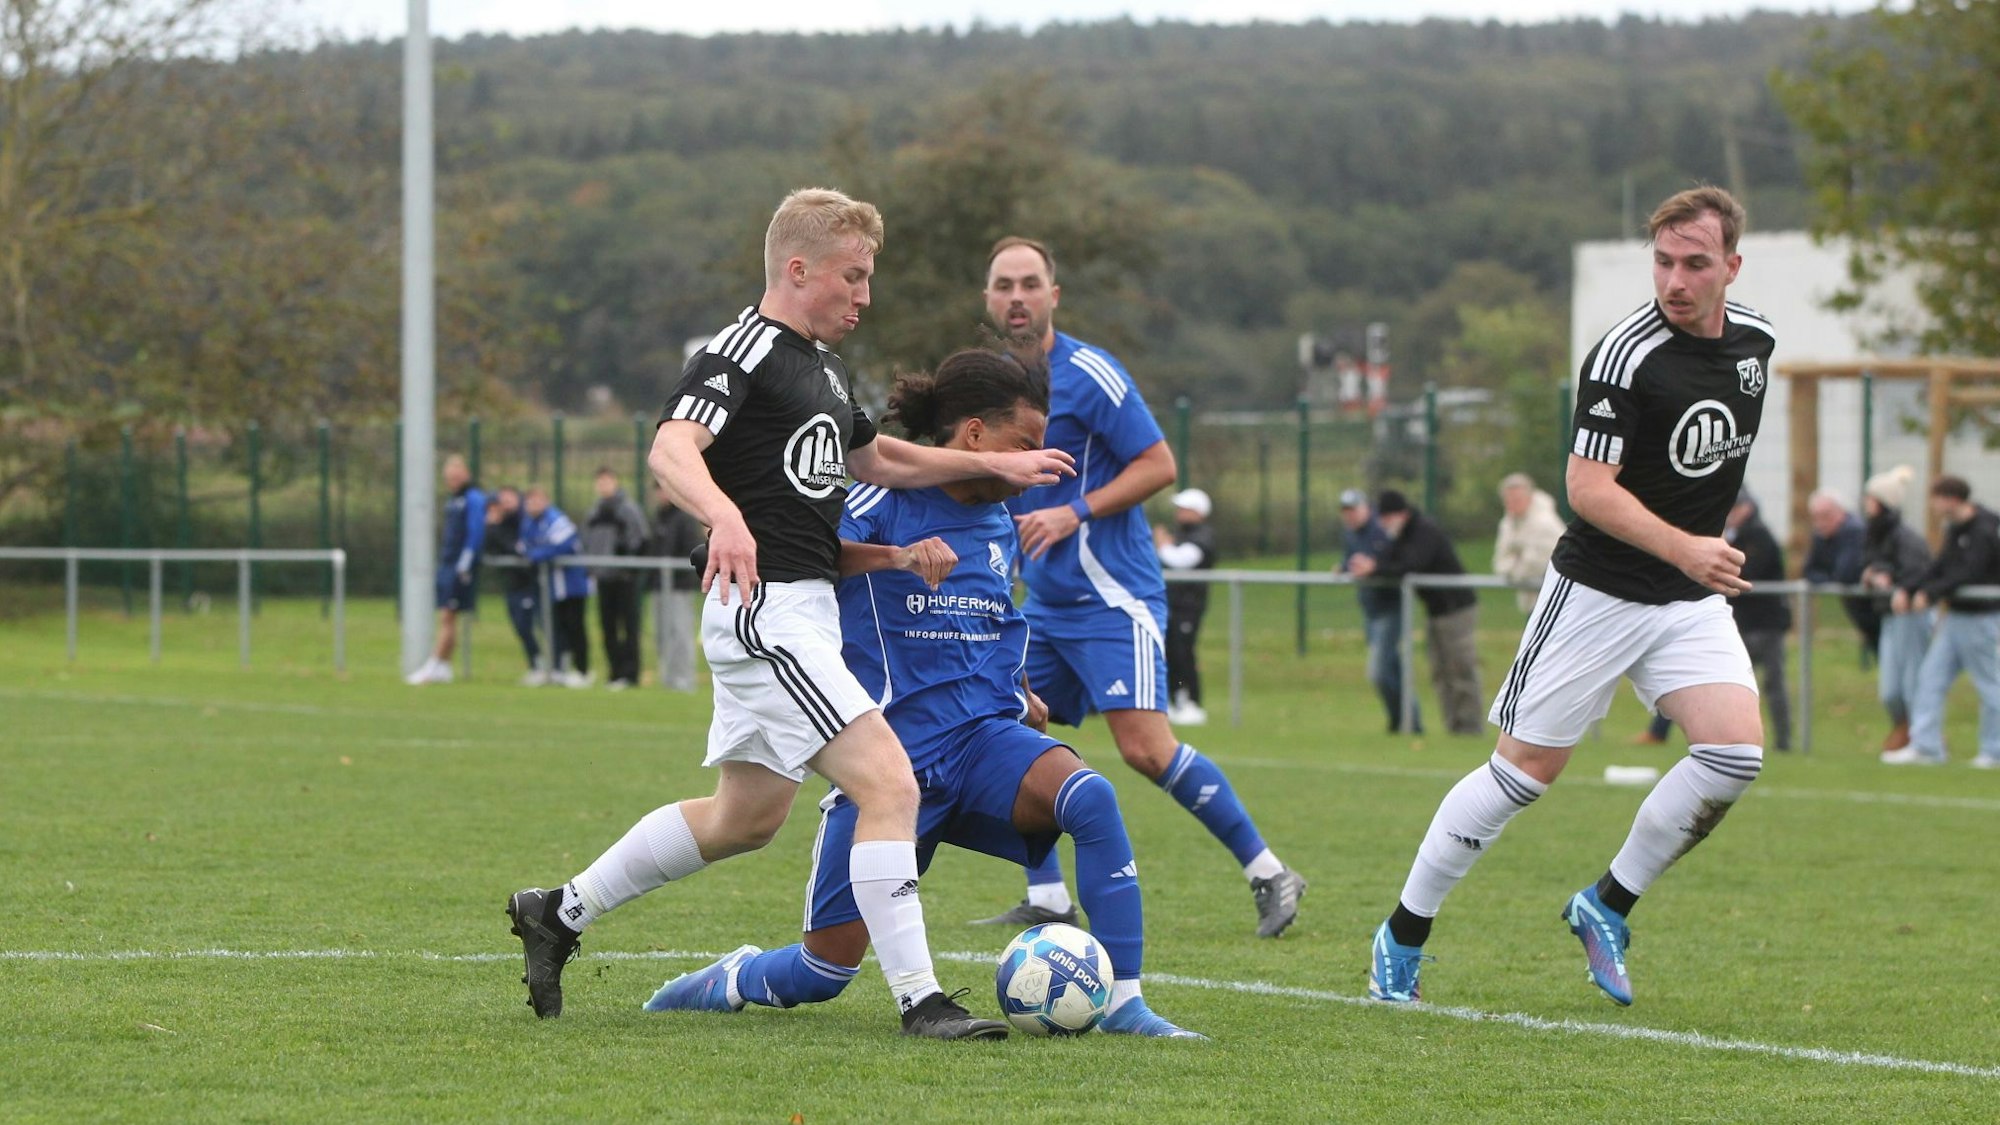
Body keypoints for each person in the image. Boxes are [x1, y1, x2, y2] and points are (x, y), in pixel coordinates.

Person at [504, 188, 1074, 1040]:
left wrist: (997, 462)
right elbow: (669, 447)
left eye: (868, 276)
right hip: (765, 610)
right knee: (891, 780)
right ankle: (921, 999)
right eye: (854, 275)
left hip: (797, 611)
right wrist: (723, 514)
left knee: (745, 818)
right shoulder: (742, 350)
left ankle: (559, 910)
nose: (864, 294)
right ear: (798, 268)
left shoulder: (825, 367)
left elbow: (875, 458)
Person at [643, 349, 1201, 1037]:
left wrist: (1020, 686)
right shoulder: (882, 498)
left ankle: (1124, 1004)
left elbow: (996, 612)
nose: (1033, 461)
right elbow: (812, 557)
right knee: (824, 971)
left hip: (980, 739)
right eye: (1023, 444)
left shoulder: (1001, 520)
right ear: (974, 436)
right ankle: (728, 977)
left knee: (1091, 796)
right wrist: (899, 557)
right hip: (888, 759)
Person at [1368, 186, 1776, 1007]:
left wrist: (1696, 554)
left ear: (1732, 265)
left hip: (1684, 597)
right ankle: (1402, 934)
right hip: (1598, 590)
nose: (1675, 280)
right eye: (1663, 261)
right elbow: (1588, 489)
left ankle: (1607, 903)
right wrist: (1687, 546)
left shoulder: (1757, 343)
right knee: (1525, 772)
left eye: (1696, 263)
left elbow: (1702, 467)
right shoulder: (1624, 356)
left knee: (1734, 753)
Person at [974, 235, 1305, 939]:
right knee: (1006, 724)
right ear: (989, 299)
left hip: (1111, 596)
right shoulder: (994, 385)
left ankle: (1270, 871)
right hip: (1045, 604)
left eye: (1030, 283)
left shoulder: (1092, 373)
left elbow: (1160, 464)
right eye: (1004, 285)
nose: (1018, 297)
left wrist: (1076, 510)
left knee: (1145, 749)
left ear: (1053, 294)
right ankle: (1051, 898)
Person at [1883, 475, 2000, 767]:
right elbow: (1940, 566)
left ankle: (1994, 751)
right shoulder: (1955, 528)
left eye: (1936, 498)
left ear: (1951, 499)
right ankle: (1926, 746)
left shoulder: (1985, 529)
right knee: (1930, 679)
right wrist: (1910, 589)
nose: (1933, 505)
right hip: (1955, 620)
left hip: (1982, 620)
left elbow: (1970, 572)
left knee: (1990, 686)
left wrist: (1931, 594)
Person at [1350, 490, 1483, 735]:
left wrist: (1376, 568)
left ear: (1400, 514)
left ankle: (1470, 727)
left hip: (1456, 610)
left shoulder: (1424, 531)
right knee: (1440, 671)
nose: (1383, 524)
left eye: (1386, 518)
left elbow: (1413, 564)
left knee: (1460, 668)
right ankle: (1453, 725)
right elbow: (1390, 561)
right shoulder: (1401, 535)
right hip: (1435, 611)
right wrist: (1370, 566)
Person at [1858, 466, 1932, 752]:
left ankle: (1921, 737)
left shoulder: (1905, 536)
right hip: (1889, 615)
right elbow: (1872, 562)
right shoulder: (1875, 534)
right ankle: (1905, 730)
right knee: (1890, 689)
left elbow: (1919, 570)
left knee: (1912, 681)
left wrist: (1902, 587)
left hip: (1909, 616)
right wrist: (1873, 573)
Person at [405, 454, 486, 685]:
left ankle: (433, 666)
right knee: (447, 617)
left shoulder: (473, 499)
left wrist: (465, 563)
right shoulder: (452, 500)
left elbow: (475, 532)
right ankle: (444, 666)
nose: (452, 480)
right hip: (447, 564)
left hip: (459, 567)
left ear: (466, 475)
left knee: (447, 617)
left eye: (456, 475)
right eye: (449, 477)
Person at [1341, 488, 1415, 733]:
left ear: (1365, 507)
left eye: (1353, 509)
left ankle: (1406, 720)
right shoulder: (1351, 534)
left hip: (1389, 609)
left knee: (1379, 671)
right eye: (1345, 511)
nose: (1349, 516)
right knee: (1391, 669)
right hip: (1370, 611)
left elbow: (1389, 560)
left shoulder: (1380, 529)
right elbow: (1351, 561)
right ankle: (1404, 721)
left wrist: (1373, 567)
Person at [1723, 489, 1792, 752]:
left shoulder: (1758, 536)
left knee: (1773, 684)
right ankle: (1737, 740)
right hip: (1744, 624)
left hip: (1765, 624)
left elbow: (1748, 572)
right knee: (1739, 685)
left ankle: (1783, 740)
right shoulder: (1737, 536)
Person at [585, 467, 654, 690]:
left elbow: (641, 540)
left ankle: (630, 674)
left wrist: (629, 569)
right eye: (600, 482)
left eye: (607, 481)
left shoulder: (628, 509)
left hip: (624, 579)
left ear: (615, 482)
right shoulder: (594, 512)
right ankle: (614, 673)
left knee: (629, 627)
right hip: (604, 578)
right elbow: (588, 541)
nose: (603, 486)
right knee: (608, 627)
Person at [1155, 487, 1217, 727]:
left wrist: (1163, 545)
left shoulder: (1203, 536)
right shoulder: (1183, 534)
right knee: (1172, 652)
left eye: (1184, 508)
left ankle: (1191, 702)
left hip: (1188, 607)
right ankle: (1175, 699)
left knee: (1184, 653)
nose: (1179, 512)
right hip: (1173, 604)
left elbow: (1180, 561)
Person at [520, 486, 592, 688]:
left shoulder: (557, 519)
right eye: (529, 501)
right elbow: (524, 545)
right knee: (556, 627)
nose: (532, 505)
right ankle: (559, 669)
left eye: (536, 500)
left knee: (575, 626)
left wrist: (537, 554)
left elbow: (561, 545)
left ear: (545, 500)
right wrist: (535, 552)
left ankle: (583, 671)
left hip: (572, 584)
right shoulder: (530, 523)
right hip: (553, 585)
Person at [484, 485, 546, 685]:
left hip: (530, 582)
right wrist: (491, 526)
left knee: (534, 624)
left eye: (510, 498)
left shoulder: (524, 521)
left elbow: (517, 548)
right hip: (513, 583)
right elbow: (493, 547)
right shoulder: (499, 523)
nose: (506, 503)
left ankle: (550, 666)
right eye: (503, 500)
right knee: (520, 626)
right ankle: (536, 665)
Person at [1804, 487, 1877, 656]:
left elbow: (1846, 574)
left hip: (1875, 606)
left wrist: (1829, 578)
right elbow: (1809, 571)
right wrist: (1831, 579)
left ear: (1840, 512)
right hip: (1857, 606)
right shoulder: (1821, 536)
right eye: (1816, 517)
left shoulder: (1854, 531)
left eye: (1826, 516)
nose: (1820, 523)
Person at [650, 485, 704, 693]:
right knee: (663, 634)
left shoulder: (685, 518)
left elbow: (691, 550)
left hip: (679, 587)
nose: (661, 494)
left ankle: (685, 679)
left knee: (681, 632)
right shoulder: (658, 517)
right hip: (660, 586)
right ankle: (669, 677)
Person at [1493, 472, 1565, 615]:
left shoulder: (1545, 523)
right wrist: (1514, 566)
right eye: (1509, 499)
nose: (1513, 503)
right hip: (1530, 601)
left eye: (1517, 499)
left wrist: (1515, 565)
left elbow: (1535, 565)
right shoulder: (1507, 523)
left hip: (1553, 602)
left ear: (1530, 497)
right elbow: (1500, 561)